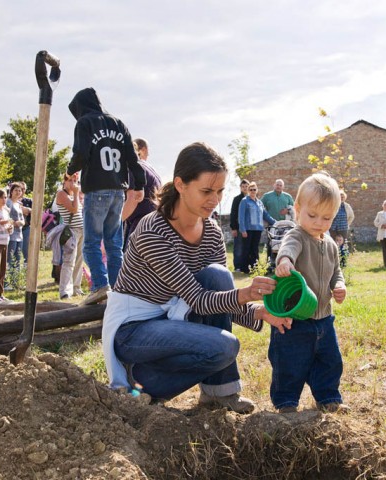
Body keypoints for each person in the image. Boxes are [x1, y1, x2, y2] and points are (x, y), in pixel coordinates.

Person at [102, 142, 292, 414]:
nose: (214, 200)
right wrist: (247, 294)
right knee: (224, 346)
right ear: (180, 184)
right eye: (206, 191)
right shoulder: (152, 230)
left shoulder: (212, 232)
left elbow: (217, 297)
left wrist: (259, 312)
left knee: (217, 275)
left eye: (219, 191)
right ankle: (136, 382)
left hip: (172, 318)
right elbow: (200, 301)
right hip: (133, 329)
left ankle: (220, 392)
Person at [272, 172, 348, 414]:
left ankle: (328, 398)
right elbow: (288, 248)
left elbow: (337, 272)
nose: (318, 222)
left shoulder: (331, 246)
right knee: (290, 362)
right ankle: (286, 402)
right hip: (295, 318)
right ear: (297, 209)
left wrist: (339, 285)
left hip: (324, 318)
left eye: (326, 217)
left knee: (330, 361)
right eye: (312, 215)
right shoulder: (297, 235)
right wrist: (285, 261)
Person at [66, 87, 146, 305]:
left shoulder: (85, 123)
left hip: (96, 189)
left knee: (91, 243)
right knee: (113, 243)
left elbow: (80, 154)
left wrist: (70, 168)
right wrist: (139, 184)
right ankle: (120, 289)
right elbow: (133, 159)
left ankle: (100, 286)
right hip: (118, 191)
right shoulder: (119, 123)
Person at [122, 138, 162, 250]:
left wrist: (114, 224)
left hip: (141, 224)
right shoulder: (149, 168)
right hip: (154, 222)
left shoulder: (132, 168)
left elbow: (133, 199)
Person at [56, 173, 84, 299]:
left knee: (79, 261)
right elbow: (73, 209)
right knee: (69, 261)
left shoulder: (74, 195)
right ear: (65, 182)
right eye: (70, 180)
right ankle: (65, 290)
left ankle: (76, 287)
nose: (73, 183)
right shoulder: (61, 194)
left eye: (75, 180)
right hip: (71, 231)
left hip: (81, 230)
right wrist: (77, 193)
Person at [238, 182, 276, 274]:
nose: (253, 191)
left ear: (257, 190)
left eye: (254, 189)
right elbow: (241, 216)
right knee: (246, 249)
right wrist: (242, 229)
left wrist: (277, 222)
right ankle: (245, 269)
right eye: (251, 189)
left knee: (255, 249)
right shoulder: (244, 201)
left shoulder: (259, 202)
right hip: (248, 229)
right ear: (248, 190)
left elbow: (265, 215)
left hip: (257, 229)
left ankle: (254, 267)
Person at [5, 182, 25, 290]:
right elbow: (5, 216)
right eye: (16, 190)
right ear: (11, 191)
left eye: (20, 190)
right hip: (11, 234)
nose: (18, 192)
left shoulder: (18, 204)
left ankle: (16, 281)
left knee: (17, 259)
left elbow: (22, 218)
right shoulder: (8, 202)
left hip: (20, 235)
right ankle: (7, 283)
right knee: (10, 258)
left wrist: (22, 222)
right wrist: (14, 222)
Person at [229, 179, 249, 272]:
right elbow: (233, 213)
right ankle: (237, 266)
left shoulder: (252, 198)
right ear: (240, 188)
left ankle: (247, 265)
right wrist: (233, 228)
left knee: (247, 247)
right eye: (243, 187)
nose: (245, 188)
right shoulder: (237, 199)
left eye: (246, 186)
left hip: (250, 227)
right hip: (239, 227)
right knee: (238, 247)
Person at [18, 182, 32, 264]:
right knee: (14, 253)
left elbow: (37, 212)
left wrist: (29, 210)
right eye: (20, 189)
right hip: (14, 229)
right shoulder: (10, 201)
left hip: (26, 229)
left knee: (27, 253)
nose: (22, 191)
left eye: (24, 189)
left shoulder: (29, 201)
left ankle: (26, 273)